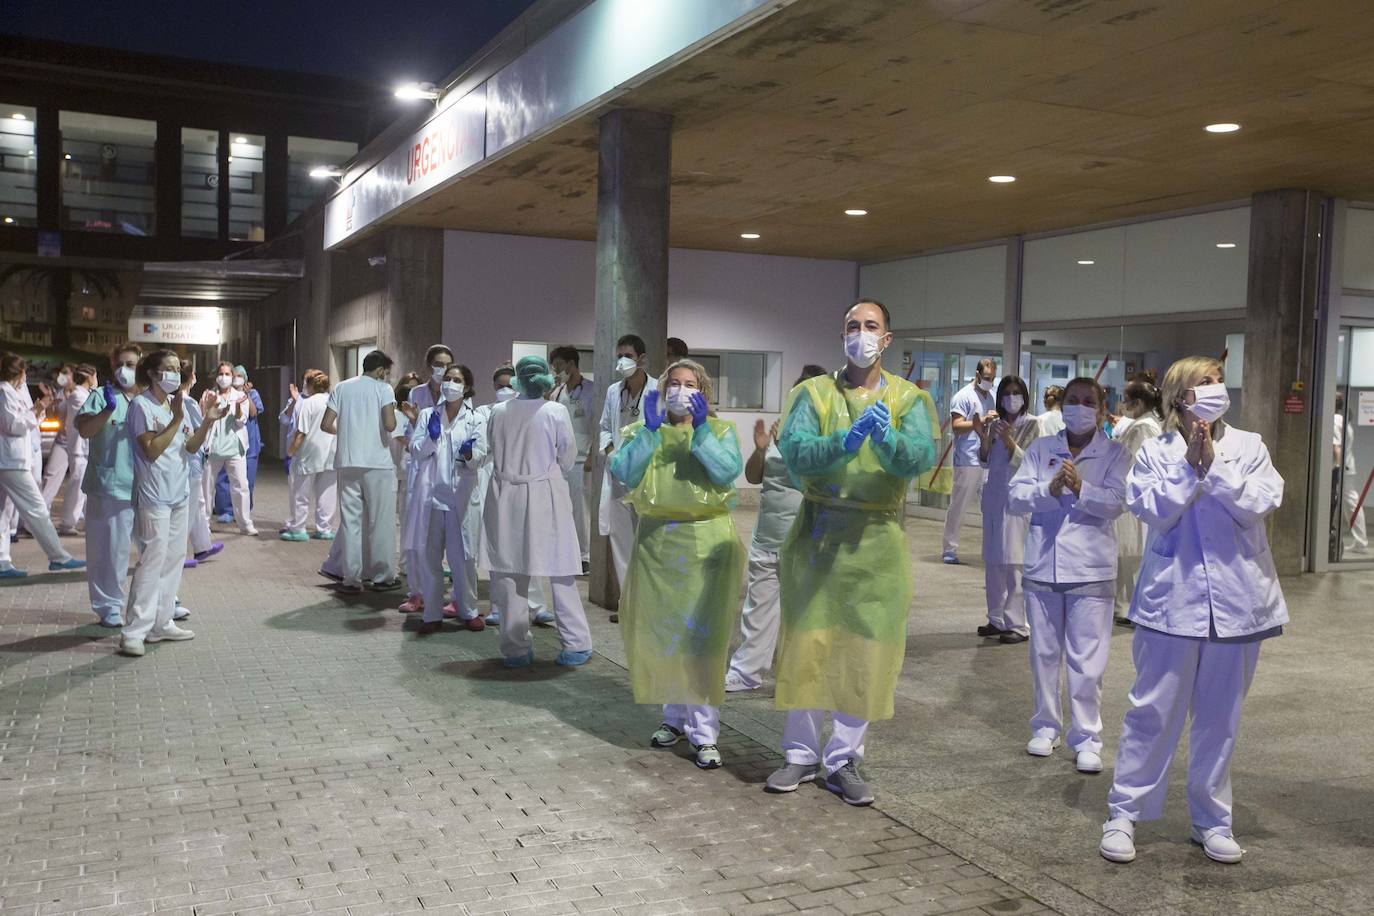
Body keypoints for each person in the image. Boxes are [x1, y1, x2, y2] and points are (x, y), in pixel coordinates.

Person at [1099, 356, 1288, 866]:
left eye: (1218, 381)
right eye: (1204, 382)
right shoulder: (1156, 451)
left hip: (1238, 602)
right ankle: (1125, 812)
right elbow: (1153, 511)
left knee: (1219, 718)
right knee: (1152, 712)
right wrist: (1189, 468)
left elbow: (1262, 501)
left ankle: (1212, 820)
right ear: (1179, 396)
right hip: (1172, 603)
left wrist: (1215, 467)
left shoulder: (1248, 446)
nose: (1216, 389)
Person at [765, 300, 937, 806]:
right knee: (807, 646)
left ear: (887, 338)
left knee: (865, 652)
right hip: (817, 536)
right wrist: (845, 441)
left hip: (876, 542)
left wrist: (887, 441)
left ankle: (843, 758)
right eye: (852, 326)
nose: (860, 334)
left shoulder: (909, 400)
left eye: (870, 327)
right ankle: (799, 753)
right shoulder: (812, 394)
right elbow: (796, 455)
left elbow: (919, 459)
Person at [613, 359, 744, 768]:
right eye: (674, 383)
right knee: (664, 631)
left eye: (691, 385)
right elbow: (624, 473)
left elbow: (726, 472)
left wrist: (702, 430)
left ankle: (704, 733)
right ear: (662, 389)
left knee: (702, 638)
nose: (681, 390)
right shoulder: (641, 431)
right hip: (659, 544)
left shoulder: (721, 432)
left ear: (703, 393)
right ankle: (673, 718)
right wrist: (650, 431)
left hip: (706, 543)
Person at [1007, 376, 1131, 774]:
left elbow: (1118, 502)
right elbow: (1014, 497)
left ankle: (1087, 737)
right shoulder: (1042, 449)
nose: (1079, 407)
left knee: (1086, 661)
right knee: (1043, 654)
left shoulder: (1115, 453)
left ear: (1101, 405)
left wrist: (1081, 489)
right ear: (1062, 406)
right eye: (1073, 400)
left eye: (1088, 401)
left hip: (1091, 570)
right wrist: (1050, 488)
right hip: (1044, 566)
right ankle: (1045, 726)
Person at [479, 356, 593, 667]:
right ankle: (576, 644)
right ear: (545, 379)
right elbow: (568, 457)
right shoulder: (555, 411)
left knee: (510, 573)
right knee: (560, 570)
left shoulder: (498, 411)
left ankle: (515, 649)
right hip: (545, 494)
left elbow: (491, 447)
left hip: (505, 495)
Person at [725, 364, 827, 693]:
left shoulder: (827, 436)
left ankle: (801, 674)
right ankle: (746, 672)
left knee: (805, 614)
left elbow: (814, 482)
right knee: (758, 610)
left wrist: (787, 446)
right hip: (767, 536)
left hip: (805, 540)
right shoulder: (780, 430)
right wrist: (760, 447)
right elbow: (755, 477)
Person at [119, 351, 224, 657]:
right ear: (151, 373)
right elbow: (151, 450)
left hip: (179, 494)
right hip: (153, 497)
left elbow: (191, 446)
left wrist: (207, 421)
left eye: (177, 370)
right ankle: (134, 632)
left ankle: (161, 623)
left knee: (173, 559)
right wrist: (177, 418)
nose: (175, 376)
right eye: (168, 370)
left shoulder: (171, 403)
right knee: (152, 561)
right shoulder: (141, 406)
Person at [475, 365, 552, 627]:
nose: (506, 390)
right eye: (500, 385)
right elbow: (482, 449)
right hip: (496, 482)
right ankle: (498, 606)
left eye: (511, 384)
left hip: (529, 485)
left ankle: (537, 604)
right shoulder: (486, 412)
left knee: (532, 547)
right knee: (501, 550)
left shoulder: (539, 410)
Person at [411, 365, 486, 635]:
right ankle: (431, 613)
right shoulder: (428, 415)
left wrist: (469, 455)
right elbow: (416, 451)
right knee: (430, 558)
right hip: (433, 498)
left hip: (461, 499)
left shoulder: (476, 418)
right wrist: (430, 439)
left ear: (466, 388)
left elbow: (482, 453)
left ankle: (468, 610)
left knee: (464, 557)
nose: (450, 384)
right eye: (448, 379)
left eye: (457, 380)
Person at [0, 353, 86, 578]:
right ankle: (58, 556)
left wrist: (39, 409)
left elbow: (30, 422)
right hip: (10, 461)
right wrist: (36, 410)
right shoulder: (3, 393)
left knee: (3, 512)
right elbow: (14, 425)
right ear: (19, 373)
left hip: (16, 459)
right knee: (37, 507)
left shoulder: (16, 392)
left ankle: (2, 561)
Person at [321, 350, 400, 593]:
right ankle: (382, 576)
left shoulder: (342, 387)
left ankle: (351, 579)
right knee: (381, 521)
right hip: (377, 463)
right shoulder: (383, 389)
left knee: (350, 522)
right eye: (385, 373)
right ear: (380, 371)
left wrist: (347, 435)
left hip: (347, 462)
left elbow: (326, 424)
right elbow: (390, 424)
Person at [76, 344, 143, 622]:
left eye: (131, 364)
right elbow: (84, 430)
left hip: (147, 487)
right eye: (120, 364)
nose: (124, 370)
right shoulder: (101, 396)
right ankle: (109, 606)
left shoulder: (148, 400)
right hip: (110, 486)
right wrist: (106, 412)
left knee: (157, 548)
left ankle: (163, 598)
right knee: (110, 551)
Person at [975, 374, 1039, 644]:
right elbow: (986, 461)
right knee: (993, 562)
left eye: (1016, 392)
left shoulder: (1032, 424)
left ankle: (1018, 624)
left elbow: (1032, 463)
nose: (1011, 397)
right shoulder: (997, 424)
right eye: (1006, 393)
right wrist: (984, 438)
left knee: (1014, 563)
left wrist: (1011, 442)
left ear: (1023, 395)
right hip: (994, 500)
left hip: (1017, 503)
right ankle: (996, 618)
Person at [598, 335, 658, 616]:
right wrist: (611, 453)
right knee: (621, 543)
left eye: (628, 355)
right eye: (619, 354)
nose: (622, 361)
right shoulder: (613, 391)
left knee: (647, 544)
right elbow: (605, 427)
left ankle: (649, 605)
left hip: (647, 477)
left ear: (642, 359)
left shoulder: (658, 390)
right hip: (617, 474)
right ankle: (629, 605)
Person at [1112, 373, 1164, 625]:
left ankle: (1135, 608)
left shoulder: (1144, 427)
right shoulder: (1147, 424)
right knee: (1126, 555)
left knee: (1132, 555)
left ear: (1139, 403)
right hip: (1131, 498)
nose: (1123, 405)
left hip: (1133, 498)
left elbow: (1128, 462)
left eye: (1126, 400)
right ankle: (1124, 606)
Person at [941, 359, 996, 564]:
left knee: (991, 507)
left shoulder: (991, 397)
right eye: (987, 378)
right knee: (959, 506)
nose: (989, 382)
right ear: (978, 375)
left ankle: (992, 549)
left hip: (986, 458)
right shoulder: (963, 397)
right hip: (967, 459)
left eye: (993, 378)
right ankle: (949, 549)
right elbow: (956, 426)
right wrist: (980, 421)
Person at [550, 346, 594, 574]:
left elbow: (598, 425)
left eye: (559, 365)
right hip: (560, 462)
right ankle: (565, 552)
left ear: (571, 363)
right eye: (554, 366)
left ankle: (584, 555)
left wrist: (593, 457)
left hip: (582, 459)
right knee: (561, 509)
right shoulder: (557, 392)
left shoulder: (590, 390)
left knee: (581, 510)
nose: (556, 370)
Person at [282, 373, 337, 541]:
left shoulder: (307, 403)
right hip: (331, 454)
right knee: (327, 494)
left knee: (300, 494)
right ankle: (325, 529)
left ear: (311, 385)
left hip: (309, 455)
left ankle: (298, 529)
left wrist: (290, 452)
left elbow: (301, 433)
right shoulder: (335, 402)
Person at [203, 362, 257, 536]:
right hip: (214, 448)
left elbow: (242, 421)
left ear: (232, 376)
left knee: (240, 486)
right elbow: (202, 418)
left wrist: (238, 409)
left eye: (227, 374)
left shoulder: (240, 395)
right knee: (207, 487)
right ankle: (204, 523)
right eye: (221, 373)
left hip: (234, 447)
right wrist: (208, 406)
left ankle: (245, 524)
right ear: (216, 376)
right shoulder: (209, 394)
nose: (224, 377)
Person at [46, 363, 96, 534]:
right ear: (90, 377)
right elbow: (92, 413)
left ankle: (90, 520)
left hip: (87, 448)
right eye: (94, 376)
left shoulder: (87, 394)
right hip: (78, 448)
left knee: (88, 488)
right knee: (77, 486)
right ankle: (67, 522)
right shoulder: (77, 396)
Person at [213, 365, 263, 521]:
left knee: (246, 481)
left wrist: (246, 395)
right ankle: (225, 511)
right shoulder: (222, 393)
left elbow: (253, 413)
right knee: (223, 479)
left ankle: (243, 513)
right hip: (226, 441)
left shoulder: (252, 394)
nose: (236, 378)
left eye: (241, 375)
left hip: (249, 444)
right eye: (235, 375)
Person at [1334, 391, 1368, 556]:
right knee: (1350, 503)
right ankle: (1360, 541)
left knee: (1351, 502)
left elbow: (1337, 447)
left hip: (1342, 469)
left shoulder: (1335, 420)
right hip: (1346, 467)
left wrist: (1337, 468)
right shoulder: (1344, 421)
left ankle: (1361, 542)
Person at [278, 368, 323, 478]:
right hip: (297, 453)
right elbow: (284, 420)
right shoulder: (298, 398)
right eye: (306, 379)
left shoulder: (324, 400)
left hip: (318, 451)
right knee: (298, 493)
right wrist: (295, 401)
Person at [410, 345, 455, 413]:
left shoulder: (458, 393)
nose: (445, 369)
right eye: (439, 364)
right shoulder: (416, 393)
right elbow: (410, 421)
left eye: (449, 365)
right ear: (428, 366)